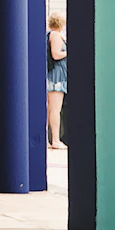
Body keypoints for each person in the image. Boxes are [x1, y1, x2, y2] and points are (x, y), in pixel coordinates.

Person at [46, 11, 68, 150]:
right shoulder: (56, 35)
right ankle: (55, 139)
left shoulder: (51, 34)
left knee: (51, 109)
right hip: (56, 76)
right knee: (55, 109)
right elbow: (56, 54)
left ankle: (50, 140)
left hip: (54, 75)